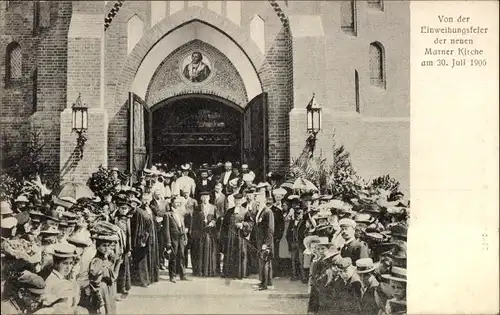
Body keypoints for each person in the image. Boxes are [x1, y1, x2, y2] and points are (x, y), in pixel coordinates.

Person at [221, 193, 254, 279]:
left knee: (239, 253)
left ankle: (239, 274)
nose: (237, 202)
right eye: (236, 201)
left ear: (241, 201)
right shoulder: (229, 211)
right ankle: (229, 273)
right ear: (234, 201)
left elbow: (251, 223)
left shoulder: (245, 211)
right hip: (230, 236)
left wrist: (242, 224)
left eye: (239, 201)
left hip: (240, 237)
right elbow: (224, 225)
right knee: (230, 253)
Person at [86, 233, 120, 315]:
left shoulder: (106, 259)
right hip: (100, 288)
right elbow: (94, 275)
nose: (106, 248)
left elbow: (113, 275)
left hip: (108, 287)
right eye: (104, 246)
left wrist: (116, 262)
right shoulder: (96, 260)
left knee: (110, 306)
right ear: (98, 247)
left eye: (108, 246)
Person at [43, 242, 82, 314]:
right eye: (65, 263)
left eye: (71, 263)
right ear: (56, 263)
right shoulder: (52, 280)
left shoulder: (63, 279)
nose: (68, 267)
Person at [163, 196, 189, 283]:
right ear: (172, 203)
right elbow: (166, 230)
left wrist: (185, 237)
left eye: (179, 202)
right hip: (173, 239)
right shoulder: (167, 215)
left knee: (182, 256)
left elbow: (183, 226)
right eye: (176, 202)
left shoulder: (180, 213)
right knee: (173, 257)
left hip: (181, 237)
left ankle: (183, 275)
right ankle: (172, 276)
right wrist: (168, 242)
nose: (178, 204)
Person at [195, 191, 218, 277]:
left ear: (209, 198)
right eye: (203, 197)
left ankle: (210, 271)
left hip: (210, 232)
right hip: (201, 232)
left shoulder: (213, 207)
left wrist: (213, 222)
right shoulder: (197, 208)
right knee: (201, 250)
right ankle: (201, 271)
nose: (205, 199)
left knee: (210, 250)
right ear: (201, 198)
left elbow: (216, 218)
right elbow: (194, 219)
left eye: (207, 197)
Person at [254, 195, 275, 290]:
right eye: (256, 202)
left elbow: (270, 229)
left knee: (265, 262)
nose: (257, 204)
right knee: (263, 262)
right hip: (260, 241)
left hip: (265, 242)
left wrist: (266, 243)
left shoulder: (268, 212)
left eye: (259, 202)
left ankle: (265, 284)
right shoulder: (261, 211)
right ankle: (265, 281)